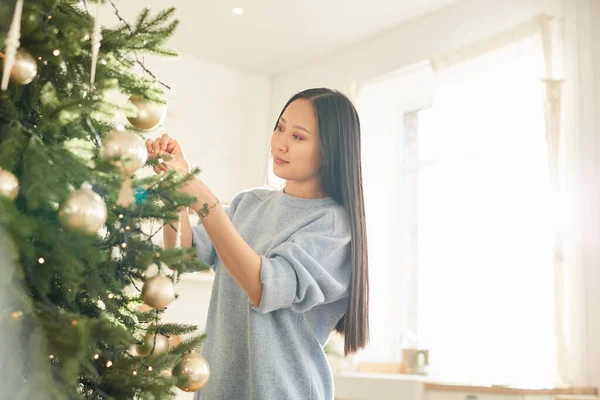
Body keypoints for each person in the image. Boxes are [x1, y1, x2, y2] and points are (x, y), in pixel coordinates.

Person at [146, 88, 369, 400]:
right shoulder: (251, 203)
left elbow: (263, 287)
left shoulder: (334, 225)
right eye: (280, 128)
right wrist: (176, 190)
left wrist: (207, 203)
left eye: (298, 136)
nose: (281, 143)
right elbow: (179, 255)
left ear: (329, 150)